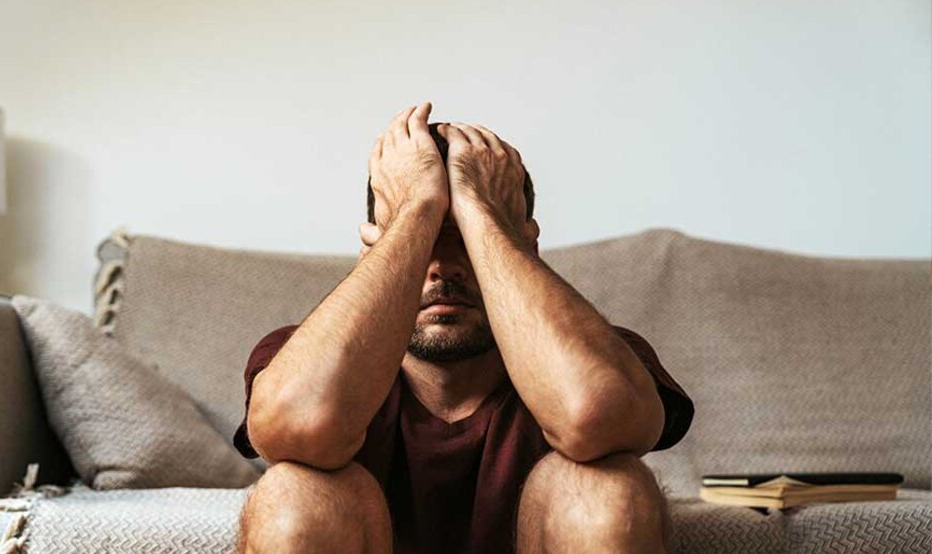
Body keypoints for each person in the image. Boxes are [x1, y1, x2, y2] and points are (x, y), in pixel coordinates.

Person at [232, 101, 694, 554]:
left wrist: (480, 211)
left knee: (603, 491)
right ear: (372, 250)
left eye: (466, 242)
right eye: (425, 240)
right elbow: (299, 424)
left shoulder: (601, 354)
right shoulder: (302, 352)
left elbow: (595, 414)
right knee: (295, 494)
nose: (444, 268)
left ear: (526, 245)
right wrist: (417, 207)